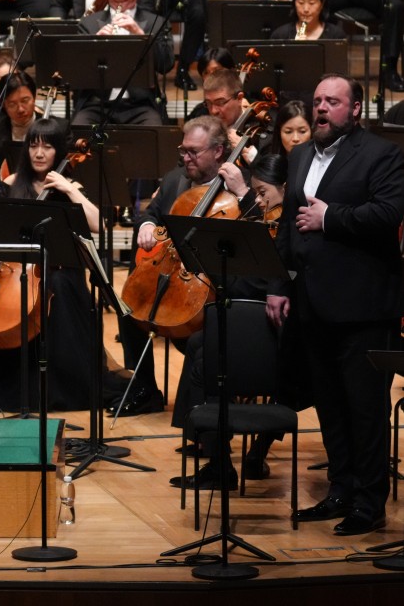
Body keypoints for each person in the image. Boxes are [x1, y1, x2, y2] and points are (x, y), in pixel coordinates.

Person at [267, 73, 404, 536]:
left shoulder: (382, 155)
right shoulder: (302, 153)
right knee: (329, 405)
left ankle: (370, 503)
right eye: (317, 100)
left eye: (332, 101)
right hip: (312, 304)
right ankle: (340, 489)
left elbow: (388, 214)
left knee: (365, 409)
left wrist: (332, 218)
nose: (321, 108)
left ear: (355, 110)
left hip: (363, 306)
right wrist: (278, 286)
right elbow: (288, 223)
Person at [0, 118, 99, 412]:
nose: (38, 153)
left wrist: (68, 188)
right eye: (33, 145)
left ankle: (54, 386)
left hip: (56, 269)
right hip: (10, 267)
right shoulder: (11, 183)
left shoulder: (71, 185)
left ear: (59, 151)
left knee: (58, 285)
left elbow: (98, 224)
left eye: (47, 146)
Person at [119, 116, 259, 417]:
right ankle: (145, 389)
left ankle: (210, 394)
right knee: (128, 308)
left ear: (219, 152)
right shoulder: (174, 180)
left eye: (193, 152)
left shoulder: (238, 185)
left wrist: (241, 193)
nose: (185, 157)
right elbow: (151, 214)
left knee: (197, 333)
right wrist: (146, 225)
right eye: (183, 150)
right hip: (173, 267)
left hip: (214, 283)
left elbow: (261, 229)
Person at [168, 153, 285, 491]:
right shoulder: (262, 220)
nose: (259, 201)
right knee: (197, 343)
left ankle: (234, 454)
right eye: (257, 194)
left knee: (208, 356)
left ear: (285, 188)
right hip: (246, 317)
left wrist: (246, 194)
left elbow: (270, 278)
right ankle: (213, 452)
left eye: (264, 193)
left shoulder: (285, 224)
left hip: (274, 325)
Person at [73, 0, 173, 126]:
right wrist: (93, 45)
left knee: (154, 130)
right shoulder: (88, 24)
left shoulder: (156, 22)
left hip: (140, 104)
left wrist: (141, 35)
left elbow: (166, 64)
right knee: (79, 129)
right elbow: (77, 72)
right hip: (98, 103)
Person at [0, 71, 71, 196]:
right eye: (12, 104)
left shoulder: (59, 128)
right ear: (3, 105)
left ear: (34, 97)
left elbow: (67, 170)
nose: (20, 109)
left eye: (25, 100)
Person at [270, 0, 347, 41]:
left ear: (322, 3)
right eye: (301, 2)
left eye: (311, 3)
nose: (306, 9)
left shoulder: (336, 36)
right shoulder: (280, 35)